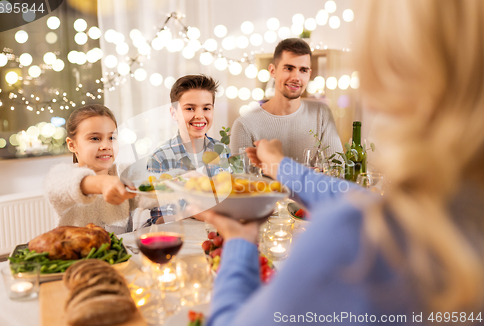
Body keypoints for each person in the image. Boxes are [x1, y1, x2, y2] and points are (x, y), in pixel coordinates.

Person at [197, 1, 484, 325]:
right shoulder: (453, 210)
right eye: (289, 68)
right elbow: (365, 201)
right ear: (273, 71)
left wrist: (238, 241)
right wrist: (279, 164)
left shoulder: (352, 238)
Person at [230, 38, 343, 162]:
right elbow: (242, 180)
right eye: (289, 68)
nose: (296, 77)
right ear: (273, 71)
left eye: (303, 70)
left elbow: (337, 170)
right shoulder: (244, 125)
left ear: (309, 74)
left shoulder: (322, 113)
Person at [44, 105, 137, 234]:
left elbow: (150, 193)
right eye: (94, 138)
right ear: (72, 145)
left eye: (111, 138)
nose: (106, 146)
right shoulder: (63, 175)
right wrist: (102, 183)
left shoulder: (124, 171)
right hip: (78, 254)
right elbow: (57, 184)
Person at [147, 74, 228, 176]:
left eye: (206, 108)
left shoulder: (223, 151)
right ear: (174, 113)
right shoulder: (160, 158)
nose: (199, 116)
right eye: (190, 108)